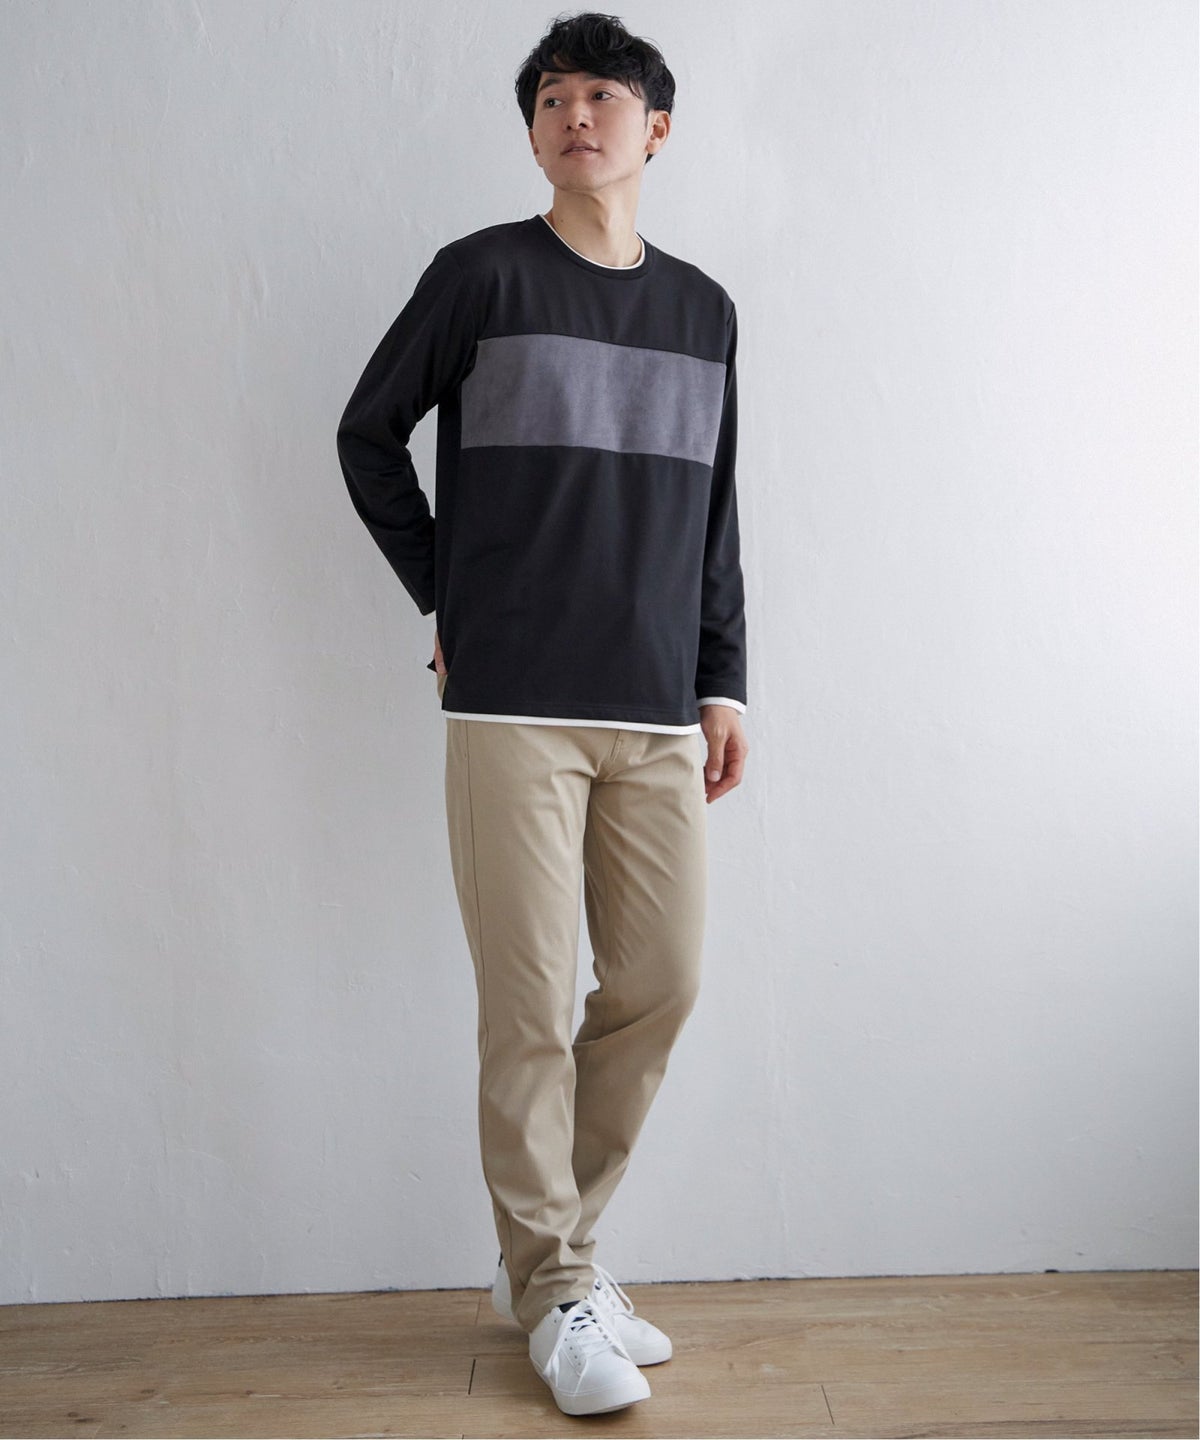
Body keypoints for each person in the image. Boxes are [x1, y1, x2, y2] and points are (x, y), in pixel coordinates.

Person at [336, 10, 749, 1418]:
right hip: (511, 707)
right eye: (554, 98)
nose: (578, 114)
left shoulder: (704, 311)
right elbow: (366, 435)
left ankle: (560, 1258)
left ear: (655, 129)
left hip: (653, 706)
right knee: (525, 1008)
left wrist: (721, 677)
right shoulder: (481, 276)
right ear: (533, 133)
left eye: (604, 95)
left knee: (660, 984)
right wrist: (448, 595)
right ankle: (557, 1285)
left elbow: (715, 513)